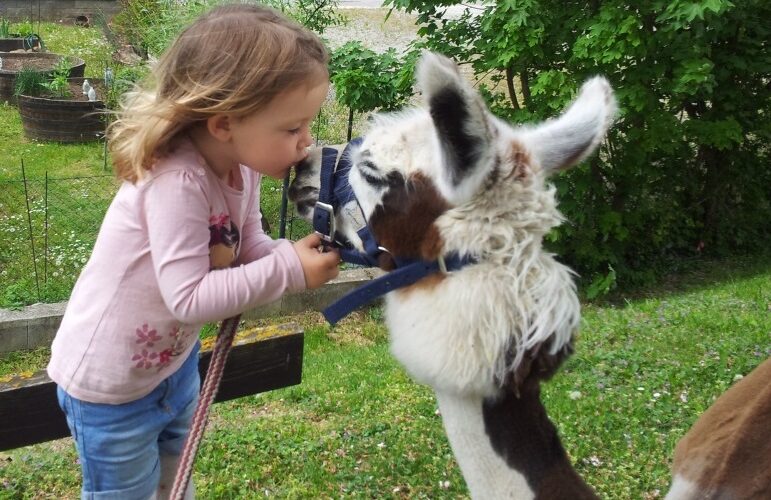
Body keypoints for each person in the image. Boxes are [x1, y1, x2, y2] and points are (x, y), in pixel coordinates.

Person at [46, 4, 340, 499]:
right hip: (112, 389)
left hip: (172, 368)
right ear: (225, 124)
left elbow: (249, 250)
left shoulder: (239, 169)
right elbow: (189, 296)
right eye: (292, 129)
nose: (305, 144)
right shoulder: (176, 180)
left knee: (174, 485)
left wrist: (289, 253)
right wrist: (289, 268)